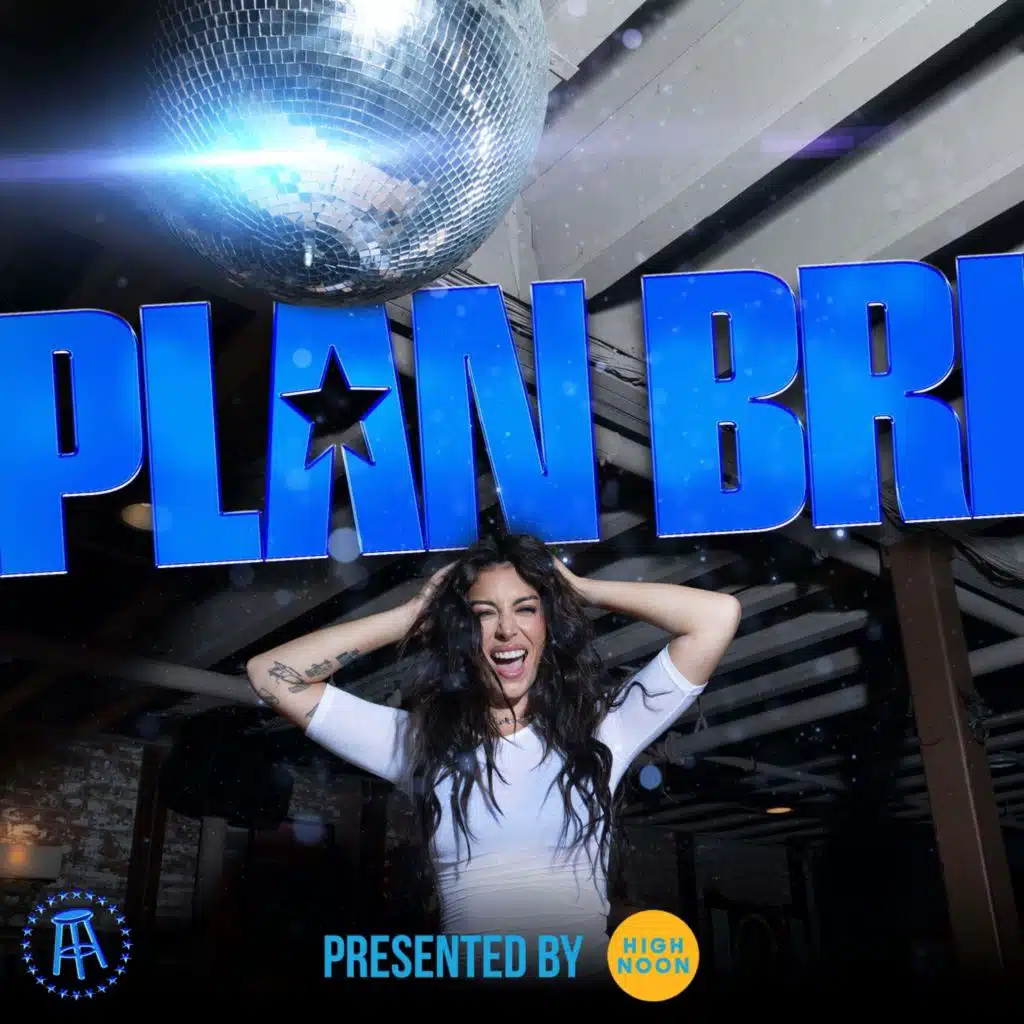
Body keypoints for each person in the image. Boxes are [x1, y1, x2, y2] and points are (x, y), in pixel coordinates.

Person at [246, 534, 741, 984]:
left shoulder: (601, 731)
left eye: (526, 608)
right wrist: (412, 616)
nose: (506, 629)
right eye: (484, 614)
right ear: (463, 632)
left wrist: (577, 588)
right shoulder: (420, 743)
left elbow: (717, 617)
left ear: (547, 623)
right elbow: (270, 674)